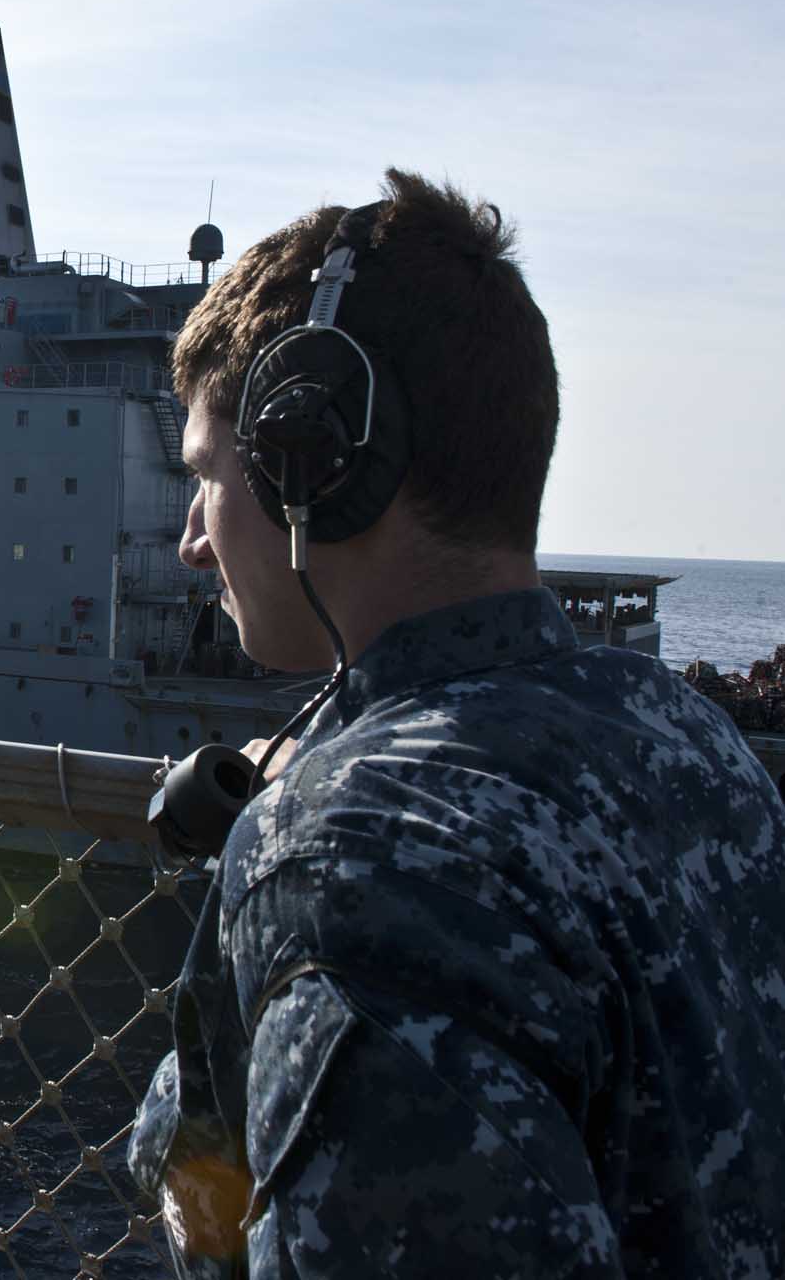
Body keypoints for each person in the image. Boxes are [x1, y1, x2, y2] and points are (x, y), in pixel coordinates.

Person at [128, 169, 785, 1277]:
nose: (194, 539)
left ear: (313, 464)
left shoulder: (356, 859)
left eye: (207, 475)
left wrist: (299, 842)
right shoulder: (696, 743)